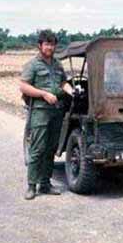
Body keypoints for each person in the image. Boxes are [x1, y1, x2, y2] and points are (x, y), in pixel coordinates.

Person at [19, 30, 73, 200]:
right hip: (40, 112)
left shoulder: (57, 65)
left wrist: (71, 91)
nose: (50, 47)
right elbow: (23, 86)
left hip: (57, 111)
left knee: (51, 148)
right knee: (37, 149)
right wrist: (43, 94)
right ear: (40, 46)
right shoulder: (33, 64)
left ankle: (45, 183)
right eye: (47, 44)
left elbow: (63, 82)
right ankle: (31, 186)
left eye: (52, 44)